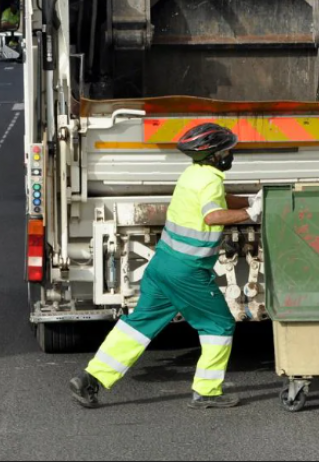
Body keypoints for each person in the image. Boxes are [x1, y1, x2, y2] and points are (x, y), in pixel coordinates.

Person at [69, 123, 262, 410]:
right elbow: (212, 215)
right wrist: (250, 213)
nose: (231, 153)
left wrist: (248, 199)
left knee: (139, 325)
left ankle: (90, 378)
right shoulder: (211, 179)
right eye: (228, 149)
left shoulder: (193, 174)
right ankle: (207, 390)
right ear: (215, 155)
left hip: (162, 265)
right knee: (218, 324)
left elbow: (216, 199)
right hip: (187, 271)